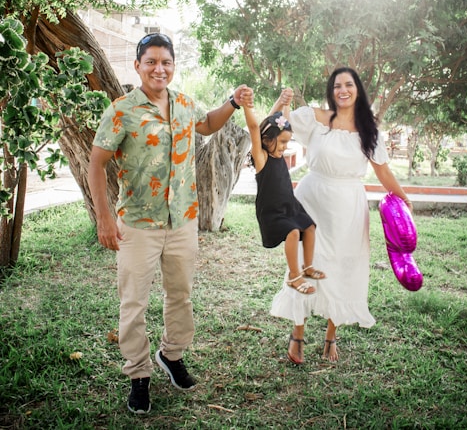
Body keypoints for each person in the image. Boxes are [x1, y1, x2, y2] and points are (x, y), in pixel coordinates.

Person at [88, 32, 253, 414]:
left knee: (180, 295)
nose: (159, 68)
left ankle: (172, 356)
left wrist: (231, 102)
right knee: (134, 302)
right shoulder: (121, 110)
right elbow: (96, 163)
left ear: (173, 66)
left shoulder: (183, 103)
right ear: (138, 66)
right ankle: (139, 375)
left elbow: (208, 124)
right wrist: (105, 218)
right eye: (151, 62)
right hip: (138, 225)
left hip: (182, 221)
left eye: (166, 62)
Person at [270, 67, 413, 365]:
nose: (342, 90)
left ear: (358, 89)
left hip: (348, 206)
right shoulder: (315, 118)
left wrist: (402, 197)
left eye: (348, 84)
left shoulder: (369, 129)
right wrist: (281, 101)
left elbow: (382, 170)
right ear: (331, 91)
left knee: (342, 266)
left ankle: (331, 336)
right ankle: (297, 334)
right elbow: (274, 126)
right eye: (337, 86)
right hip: (312, 199)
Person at [243, 101, 326, 328]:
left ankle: (307, 267)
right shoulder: (262, 159)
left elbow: (282, 119)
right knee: (291, 232)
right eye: (281, 142)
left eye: (287, 142)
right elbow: (253, 128)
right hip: (272, 212)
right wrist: (247, 106)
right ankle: (294, 275)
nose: (284, 147)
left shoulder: (278, 155)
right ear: (267, 140)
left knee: (309, 227)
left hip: (290, 206)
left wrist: (284, 102)